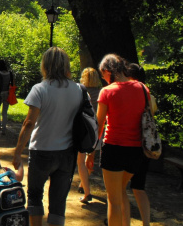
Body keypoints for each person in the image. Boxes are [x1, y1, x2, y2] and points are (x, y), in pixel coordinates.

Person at [12, 47, 82, 226]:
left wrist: (17, 152)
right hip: (67, 151)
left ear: (46, 65)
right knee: (58, 201)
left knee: (35, 195)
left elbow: (29, 123)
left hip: (42, 149)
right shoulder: (78, 89)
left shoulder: (40, 89)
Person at [86, 54, 148, 226]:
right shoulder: (142, 88)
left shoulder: (107, 91)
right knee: (121, 191)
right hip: (136, 151)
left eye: (103, 75)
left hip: (114, 149)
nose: (104, 79)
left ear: (108, 71)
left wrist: (90, 153)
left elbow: (99, 126)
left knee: (113, 200)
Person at [125, 62, 155, 226]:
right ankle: (146, 223)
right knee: (138, 187)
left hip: (130, 142)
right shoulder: (148, 93)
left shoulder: (131, 92)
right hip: (145, 144)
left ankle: (120, 221)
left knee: (119, 189)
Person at [76, 67, 102, 203]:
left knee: (81, 162)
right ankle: (82, 184)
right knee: (90, 161)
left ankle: (87, 192)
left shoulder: (81, 91)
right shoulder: (101, 92)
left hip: (84, 131)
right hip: (98, 132)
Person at [0, 59, 13, 136]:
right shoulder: (10, 73)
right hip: (7, 93)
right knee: (4, 112)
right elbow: (13, 84)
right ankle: (4, 129)